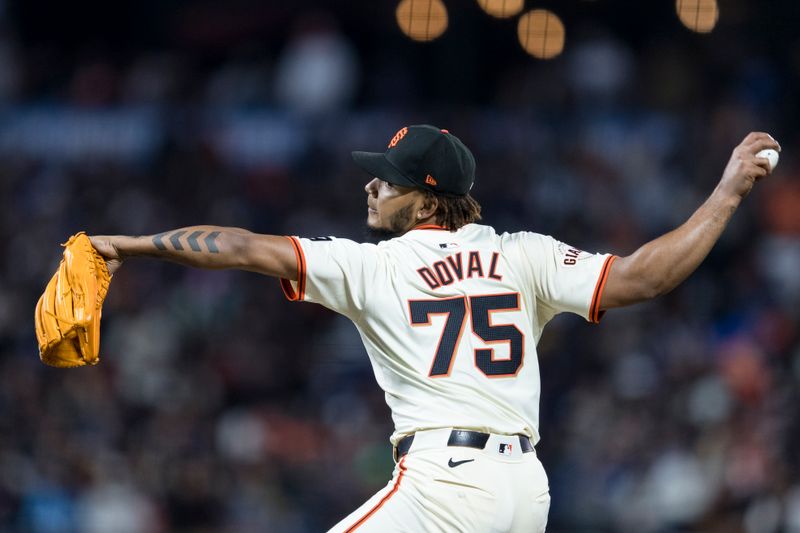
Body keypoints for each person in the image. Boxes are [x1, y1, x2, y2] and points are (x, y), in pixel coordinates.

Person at [90, 125, 780, 532]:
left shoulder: (371, 267)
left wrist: (128, 245)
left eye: (386, 181)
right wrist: (725, 194)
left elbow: (240, 247)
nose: (371, 188)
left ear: (424, 195)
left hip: (445, 484)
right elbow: (643, 277)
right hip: (525, 492)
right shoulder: (524, 253)